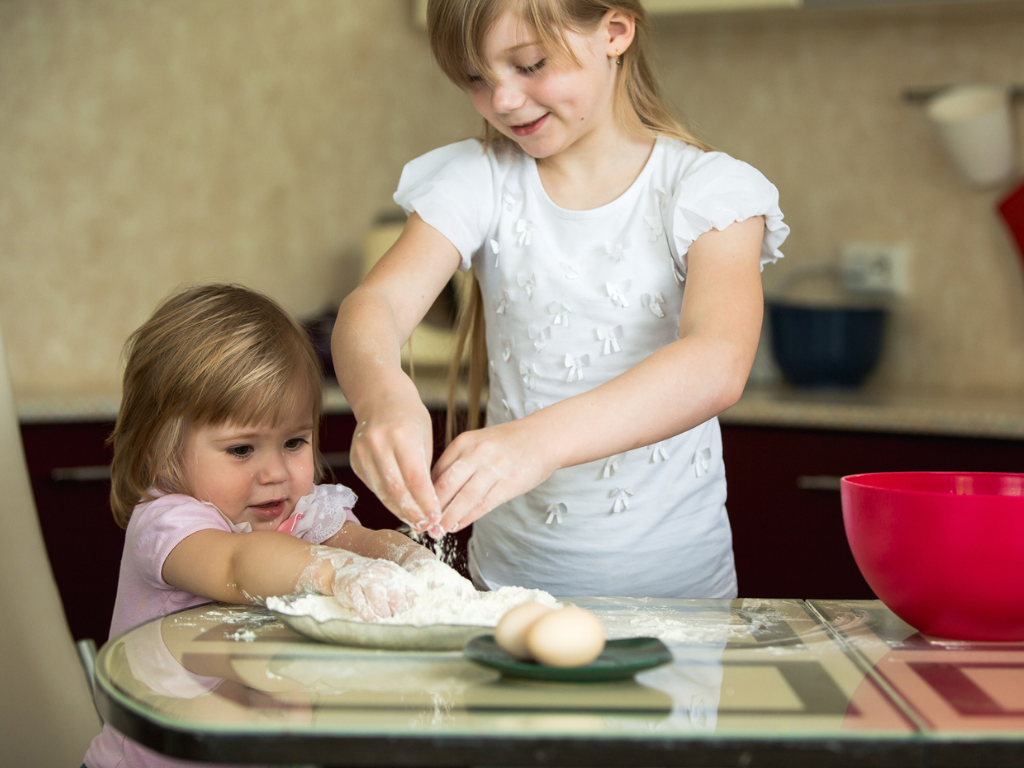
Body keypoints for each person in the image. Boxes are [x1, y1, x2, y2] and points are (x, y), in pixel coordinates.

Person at [332, 0, 789, 599]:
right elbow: (374, 307)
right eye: (476, 78)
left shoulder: (707, 190)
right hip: (506, 590)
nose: (502, 101)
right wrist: (382, 397)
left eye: (529, 64)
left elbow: (718, 361)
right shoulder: (481, 179)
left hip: (678, 599)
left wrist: (535, 444)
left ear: (614, 32)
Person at [85, 283, 441, 768]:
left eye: (294, 443)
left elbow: (356, 540)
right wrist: (337, 574)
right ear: (160, 450)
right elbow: (241, 565)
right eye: (241, 450)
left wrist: (406, 557)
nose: (274, 472)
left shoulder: (302, 513)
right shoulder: (168, 523)